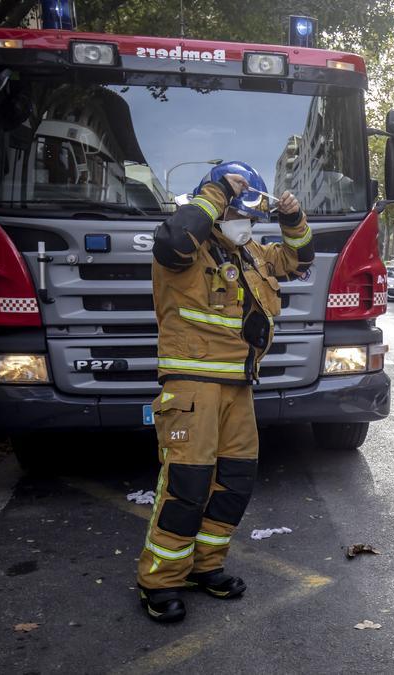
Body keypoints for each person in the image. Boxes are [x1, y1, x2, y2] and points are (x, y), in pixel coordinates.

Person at [137, 161, 315, 623]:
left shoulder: (250, 251)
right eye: (241, 215)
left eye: (253, 217)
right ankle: (160, 581)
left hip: (237, 387)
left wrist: (293, 219)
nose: (248, 225)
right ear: (217, 209)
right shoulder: (186, 247)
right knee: (186, 486)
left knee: (234, 482)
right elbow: (175, 240)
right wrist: (216, 193)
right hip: (191, 383)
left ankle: (206, 567)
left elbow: (299, 260)